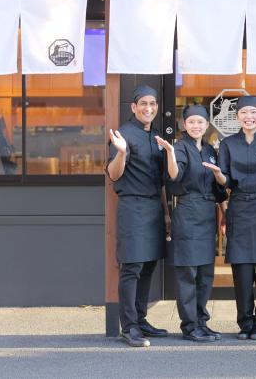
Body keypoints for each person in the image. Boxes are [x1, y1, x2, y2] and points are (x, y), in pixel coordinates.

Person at [203, 96, 256, 340]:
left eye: (253, 112)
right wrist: (218, 174)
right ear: (237, 116)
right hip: (239, 205)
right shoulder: (228, 144)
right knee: (242, 268)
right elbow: (226, 181)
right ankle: (245, 321)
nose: (249, 117)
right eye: (244, 113)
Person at [106, 84, 171, 348]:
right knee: (132, 267)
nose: (148, 108)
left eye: (152, 104)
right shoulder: (124, 134)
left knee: (148, 266)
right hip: (133, 207)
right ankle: (129, 326)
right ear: (133, 107)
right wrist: (121, 152)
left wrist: (166, 213)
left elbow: (161, 181)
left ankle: (141, 319)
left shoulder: (155, 137)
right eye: (143, 103)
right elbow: (114, 174)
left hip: (155, 207)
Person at [155, 105, 226, 343]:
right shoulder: (179, 147)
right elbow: (174, 176)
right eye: (191, 121)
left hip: (207, 214)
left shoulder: (209, 150)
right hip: (187, 212)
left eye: (201, 122)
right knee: (188, 273)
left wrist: (219, 178)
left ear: (207, 125)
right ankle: (189, 325)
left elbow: (219, 188)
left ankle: (202, 322)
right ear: (184, 124)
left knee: (206, 273)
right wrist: (170, 154)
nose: (196, 126)